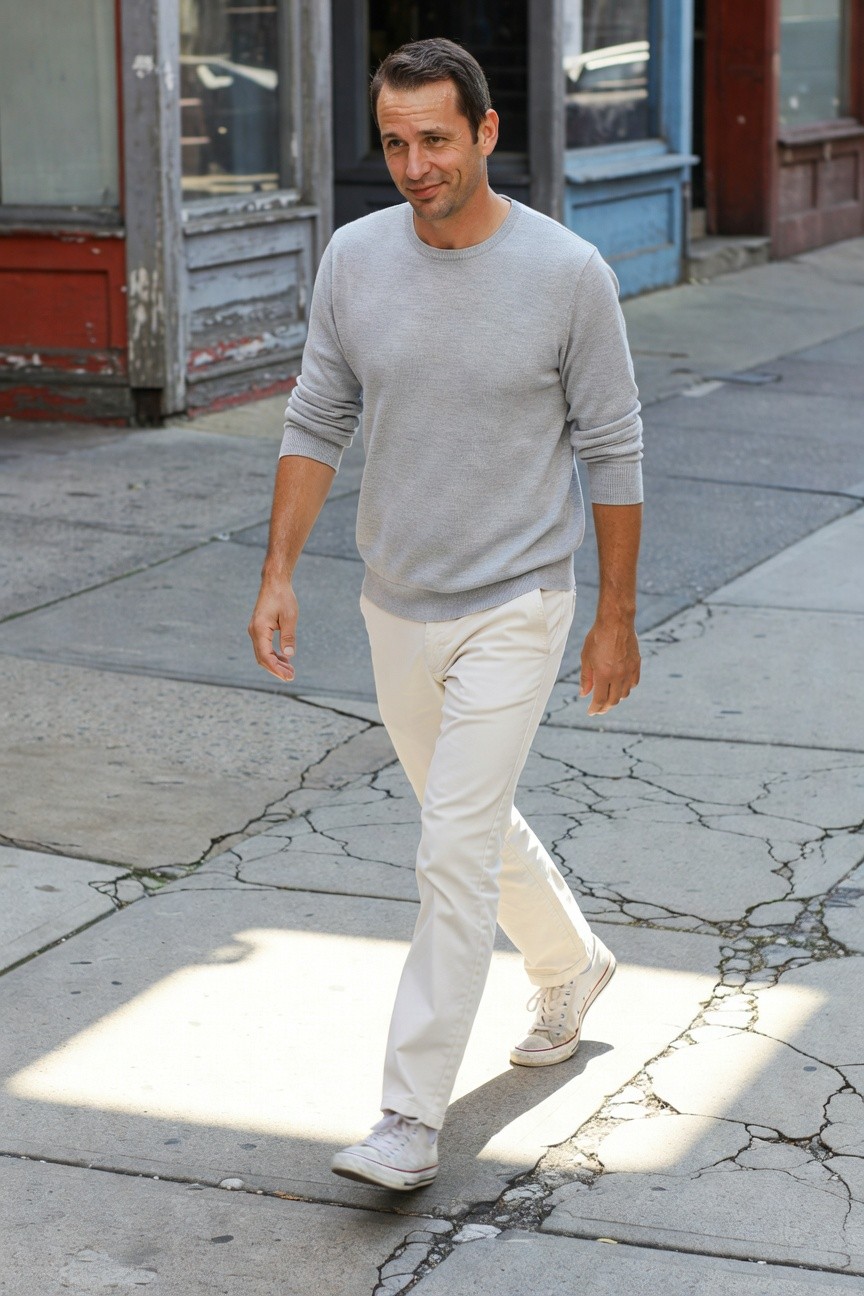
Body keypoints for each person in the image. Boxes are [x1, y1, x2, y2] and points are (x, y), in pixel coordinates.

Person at [248, 37, 643, 1193]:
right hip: (396, 597)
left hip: (518, 598)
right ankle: (573, 965)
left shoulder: (569, 274)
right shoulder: (356, 258)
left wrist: (612, 615)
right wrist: (279, 570)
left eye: (435, 139)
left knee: (450, 853)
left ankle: (408, 1118)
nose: (414, 164)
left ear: (485, 134)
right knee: (467, 824)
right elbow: (317, 413)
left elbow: (614, 449)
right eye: (395, 142)